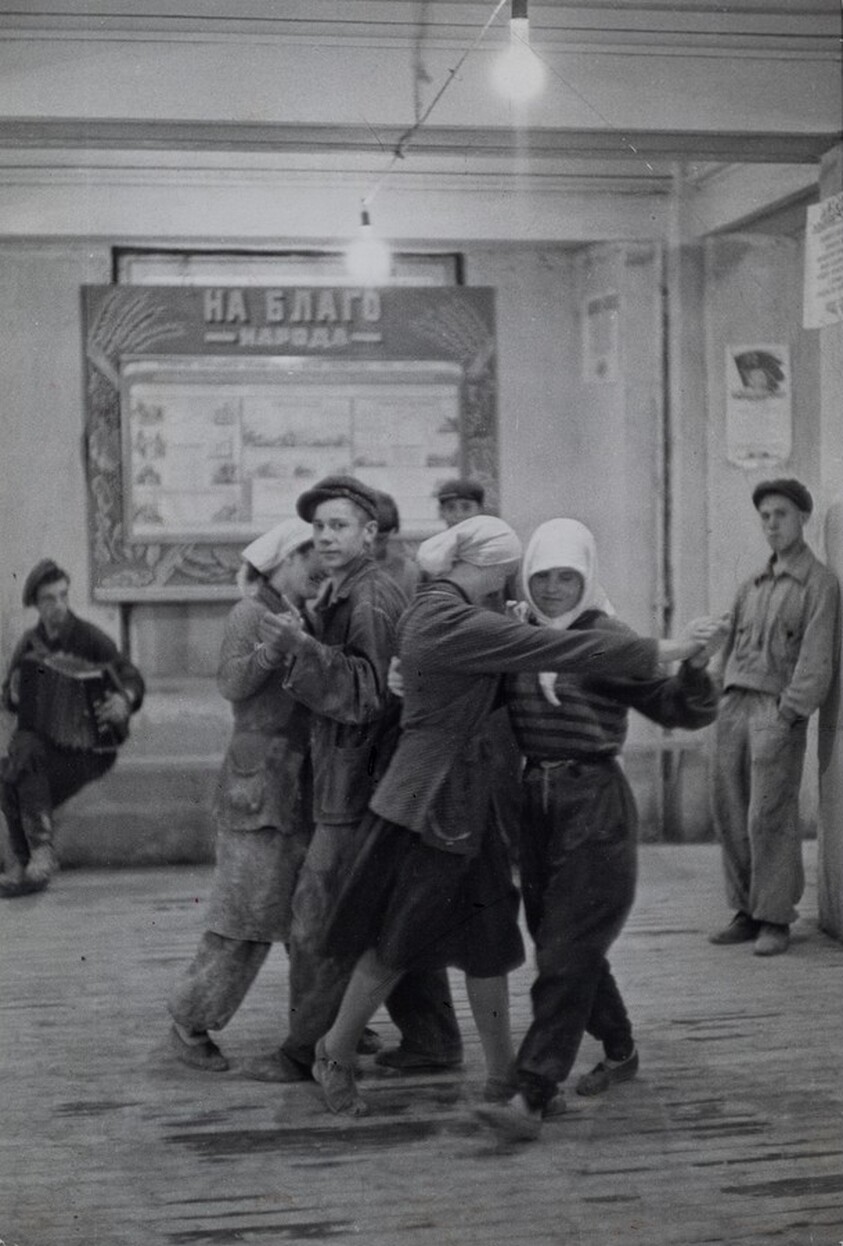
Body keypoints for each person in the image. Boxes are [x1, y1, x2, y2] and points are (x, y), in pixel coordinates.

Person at [308, 515, 718, 1117]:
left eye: (561, 576)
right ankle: (335, 1052)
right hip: (432, 804)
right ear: (495, 569)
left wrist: (682, 668)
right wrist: (661, 648)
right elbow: (543, 648)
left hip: (475, 808)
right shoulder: (452, 615)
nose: (527, 590)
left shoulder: (480, 618)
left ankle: (504, 1077)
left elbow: (510, 670)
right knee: (398, 937)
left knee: (489, 941)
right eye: (522, 576)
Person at [474, 518, 723, 1143]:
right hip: (536, 804)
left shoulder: (607, 639)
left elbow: (682, 710)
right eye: (543, 576)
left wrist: (694, 666)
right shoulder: (519, 637)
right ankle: (619, 1048)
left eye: (567, 577)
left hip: (594, 803)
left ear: (586, 576)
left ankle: (532, 1093)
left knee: (566, 951)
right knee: (564, 942)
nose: (554, 588)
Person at [244, 474, 463, 1083]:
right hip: (357, 779)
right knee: (382, 910)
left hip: (357, 783)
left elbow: (369, 694)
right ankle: (433, 1038)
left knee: (322, 919)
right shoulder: (347, 590)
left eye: (339, 525)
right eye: (318, 528)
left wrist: (301, 651)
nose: (325, 537)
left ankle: (302, 1050)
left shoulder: (369, 597)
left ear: (370, 534)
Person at [167, 519, 323, 1072]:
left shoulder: (298, 613)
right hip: (257, 787)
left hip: (299, 784)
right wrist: (273, 652)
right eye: (311, 556)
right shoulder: (250, 613)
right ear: (284, 560)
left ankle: (316, 1026)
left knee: (309, 915)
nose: (320, 564)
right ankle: (190, 1022)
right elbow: (232, 683)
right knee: (246, 916)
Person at [709, 478, 839, 957]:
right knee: (729, 808)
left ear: (802, 518)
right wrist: (716, 692)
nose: (771, 524)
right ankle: (745, 909)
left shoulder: (820, 583)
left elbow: (816, 657)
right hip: (733, 706)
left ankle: (775, 918)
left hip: (774, 710)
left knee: (769, 814)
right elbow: (728, 642)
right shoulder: (753, 582)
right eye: (764, 516)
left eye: (780, 515)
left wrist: (790, 712)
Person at [0, 559, 145, 898]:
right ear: (36, 604)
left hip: (91, 749)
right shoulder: (29, 645)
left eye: (63, 596)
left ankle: (29, 862)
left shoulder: (90, 639)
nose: (59, 606)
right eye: (49, 599)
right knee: (13, 769)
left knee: (20, 764)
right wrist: (13, 692)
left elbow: (130, 676)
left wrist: (124, 700)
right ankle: (34, 864)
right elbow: (8, 696)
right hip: (42, 749)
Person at [373, 490, 422, 601]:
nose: (372, 546)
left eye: (380, 540)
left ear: (393, 532)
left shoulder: (409, 572)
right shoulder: (339, 568)